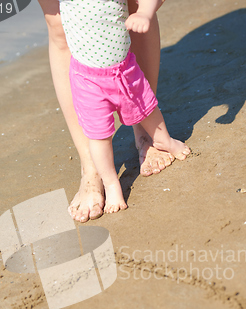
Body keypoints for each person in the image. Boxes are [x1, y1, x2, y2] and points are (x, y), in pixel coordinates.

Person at [38, 0, 190, 220]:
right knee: (58, 23)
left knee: (134, 6)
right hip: (86, 78)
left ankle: (149, 135)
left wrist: (146, 11)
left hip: (124, 65)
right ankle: (94, 168)